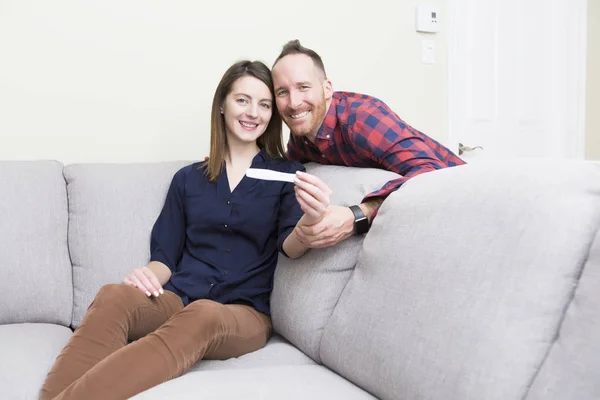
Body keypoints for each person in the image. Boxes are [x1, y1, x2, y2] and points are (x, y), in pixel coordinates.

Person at [39, 60, 331, 400]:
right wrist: (147, 275)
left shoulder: (286, 175)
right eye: (243, 100)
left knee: (202, 314)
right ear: (222, 104)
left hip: (243, 314)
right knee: (112, 294)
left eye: (264, 104)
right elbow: (165, 255)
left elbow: (291, 246)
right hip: (178, 297)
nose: (254, 112)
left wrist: (311, 219)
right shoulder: (188, 178)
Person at [271, 39, 466, 249]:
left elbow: (433, 173)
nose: (293, 103)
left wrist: (357, 215)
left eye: (303, 87)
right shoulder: (301, 136)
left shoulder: (362, 118)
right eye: (282, 92)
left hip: (464, 201)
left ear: (327, 88)